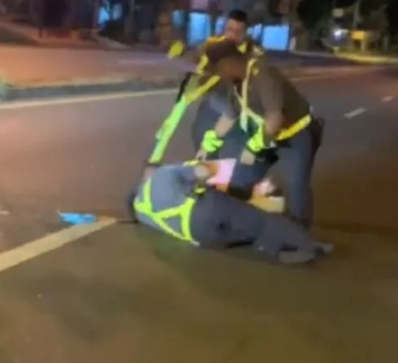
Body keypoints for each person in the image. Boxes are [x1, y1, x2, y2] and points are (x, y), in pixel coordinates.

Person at [198, 41, 322, 228]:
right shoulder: (236, 82)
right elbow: (231, 114)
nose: (218, 76)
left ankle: (300, 236)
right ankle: (238, 222)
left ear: (228, 64)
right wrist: (209, 142)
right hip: (267, 137)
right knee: (240, 181)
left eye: (217, 70)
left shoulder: (262, 74)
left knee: (296, 187)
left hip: (295, 136)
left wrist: (253, 147)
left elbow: (275, 117)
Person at [130, 161, 331, 265]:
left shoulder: (140, 211)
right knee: (263, 221)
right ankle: (309, 245)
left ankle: (274, 250)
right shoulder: (165, 172)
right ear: (151, 173)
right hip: (209, 209)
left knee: (250, 232)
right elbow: (205, 172)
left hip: (202, 236)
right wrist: (200, 166)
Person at [148, 10, 263, 165]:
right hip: (211, 104)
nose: (232, 35)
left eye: (238, 31)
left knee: (231, 155)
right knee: (202, 145)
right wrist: (186, 60)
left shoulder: (253, 53)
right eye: (230, 30)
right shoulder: (212, 45)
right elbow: (192, 59)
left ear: (245, 33)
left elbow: (258, 78)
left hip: (236, 110)